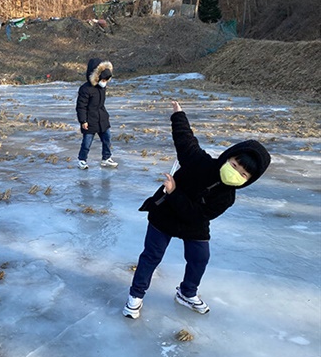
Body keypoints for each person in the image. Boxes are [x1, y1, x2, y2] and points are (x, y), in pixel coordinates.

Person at [123, 100, 271, 319]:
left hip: (193, 221)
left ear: (248, 180)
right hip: (165, 213)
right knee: (151, 256)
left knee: (199, 258)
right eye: (235, 165)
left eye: (243, 174)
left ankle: (187, 292)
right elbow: (185, 140)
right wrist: (178, 115)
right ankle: (135, 296)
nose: (236, 172)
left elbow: (195, 215)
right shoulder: (200, 162)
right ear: (228, 157)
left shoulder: (227, 198)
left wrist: (174, 192)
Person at [75, 58, 118, 170]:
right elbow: (81, 106)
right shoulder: (85, 89)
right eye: (103, 79)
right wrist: (83, 121)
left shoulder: (101, 88)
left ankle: (106, 158)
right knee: (87, 142)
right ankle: (82, 160)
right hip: (90, 120)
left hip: (102, 118)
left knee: (107, 139)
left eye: (106, 80)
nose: (104, 82)